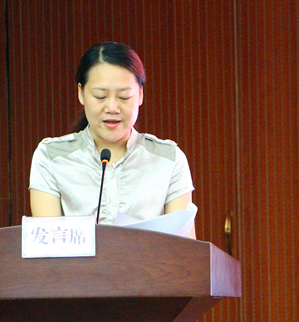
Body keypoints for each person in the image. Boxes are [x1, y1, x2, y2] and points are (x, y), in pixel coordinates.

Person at [29, 42, 196, 238]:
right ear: (81, 93)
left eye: (124, 97)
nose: (112, 108)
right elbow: (48, 246)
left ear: (140, 95)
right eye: (100, 96)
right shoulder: (51, 157)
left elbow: (185, 248)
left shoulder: (169, 159)